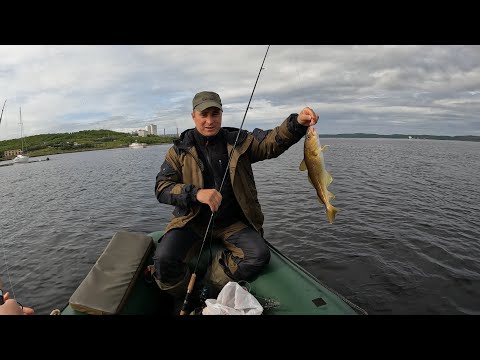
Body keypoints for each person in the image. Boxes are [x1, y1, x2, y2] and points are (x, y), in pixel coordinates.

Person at [153, 90, 319, 301]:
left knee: (259, 255)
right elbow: (161, 187)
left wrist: (297, 123)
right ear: (193, 116)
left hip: (232, 223)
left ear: (221, 114)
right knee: (163, 260)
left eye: (215, 114)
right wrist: (196, 194)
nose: (210, 121)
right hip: (193, 221)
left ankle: (209, 290)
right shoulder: (178, 151)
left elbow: (271, 142)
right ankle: (188, 296)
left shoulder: (240, 142)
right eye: (204, 115)